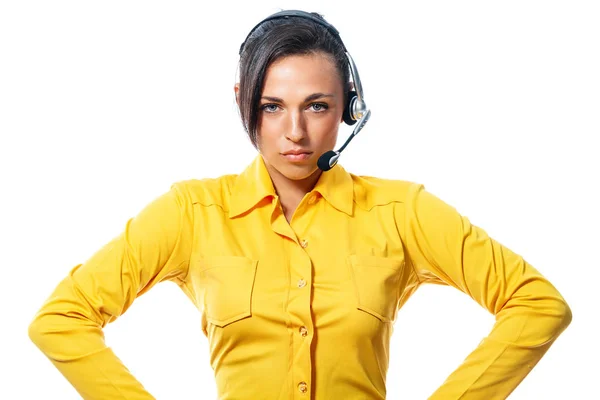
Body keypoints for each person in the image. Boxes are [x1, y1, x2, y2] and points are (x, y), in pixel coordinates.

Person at [28, 9, 572, 400]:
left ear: (348, 109)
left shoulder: (402, 210)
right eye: (271, 106)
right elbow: (60, 320)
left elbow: (537, 304)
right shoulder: (191, 212)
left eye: (317, 106)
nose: (295, 132)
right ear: (243, 103)